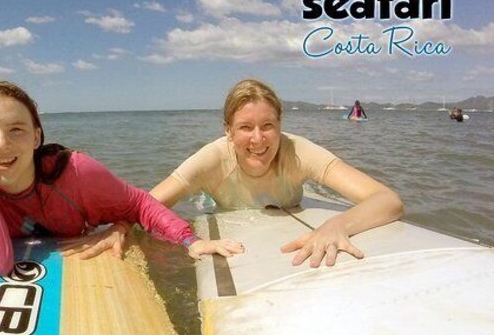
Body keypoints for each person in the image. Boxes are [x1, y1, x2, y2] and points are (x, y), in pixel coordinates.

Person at [0, 81, 242, 275]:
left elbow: (139, 204)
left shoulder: (76, 173)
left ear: (37, 136)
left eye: (16, 130)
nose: (1, 144)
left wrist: (192, 241)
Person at [150, 79, 403, 268]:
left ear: (281, 124)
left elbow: (388, 200)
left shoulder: (298, 151)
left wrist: (337, 225)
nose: (258, 139)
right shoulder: (212, 158)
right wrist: (187, 239)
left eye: (268, 126)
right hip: (222, 206)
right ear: (228, 130)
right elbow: (144, 206)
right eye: (245, 127)